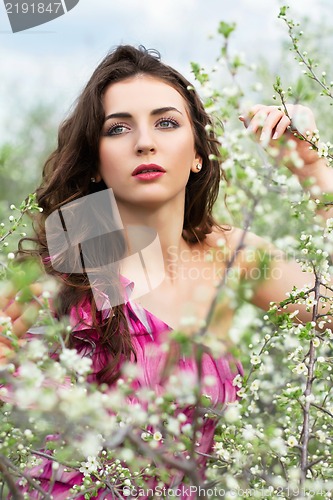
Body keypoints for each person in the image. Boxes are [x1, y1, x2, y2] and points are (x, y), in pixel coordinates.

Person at [1, 45, 333, 498]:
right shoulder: (73, 258)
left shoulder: (227, 253)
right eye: (118, 128)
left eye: (167, 122)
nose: (144, 142)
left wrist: (312, 165)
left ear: (198, 153)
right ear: (96, 163)